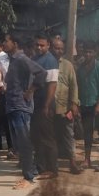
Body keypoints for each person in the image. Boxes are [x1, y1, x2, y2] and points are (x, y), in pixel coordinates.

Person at [1, 32, 45, 189]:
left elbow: (41, 73)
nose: (3, 44)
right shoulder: (13, 60)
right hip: (13, 106)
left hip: (21, 107)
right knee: (19, 143)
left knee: (24, 142)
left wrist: (30, 91)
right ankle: (29, 171)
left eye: (6, 41)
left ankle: (28, 176)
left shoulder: (21, 58)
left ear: (15, 43)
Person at [50, 37, 82, 174]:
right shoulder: (46, 63)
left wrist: (74, 104)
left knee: (69, 135)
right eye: (56, 48)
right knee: (51, 137)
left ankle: (73, 163)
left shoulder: (68, 65)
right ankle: (52, 166)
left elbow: (74, 86)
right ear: (51, 48)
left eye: (61, 48)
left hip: (65, 108)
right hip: (49, 108)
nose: (59, 51)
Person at [31, 33, 59, 179]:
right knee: (37, 137)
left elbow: (52, 85)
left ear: (48, 45)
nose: (39, 47)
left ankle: (52, 169)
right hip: (35, 103)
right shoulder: (35, 58)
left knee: (47, 137)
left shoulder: (50, 61)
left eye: (42, 45)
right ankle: (41, 167)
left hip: (45, 103)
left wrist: (47, 105)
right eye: (37, 45)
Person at [77, 40, 99, 171]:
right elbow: (78, 87)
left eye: (90, 52)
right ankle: (87, 159)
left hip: (98, 104)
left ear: (95, 53)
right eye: (86, 52)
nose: (88, 54)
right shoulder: (80, 68)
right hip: (85, 104)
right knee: (87, 132)